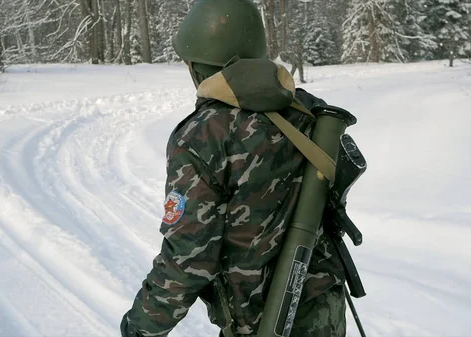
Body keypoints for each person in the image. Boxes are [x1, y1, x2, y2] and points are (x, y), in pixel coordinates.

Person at [120, 0, 346, 336]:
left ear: (197, 66)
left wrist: (140, 327)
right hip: (324, 311)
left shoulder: (204, 135)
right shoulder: (309, 111)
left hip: (263, 323)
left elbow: (188, 260)